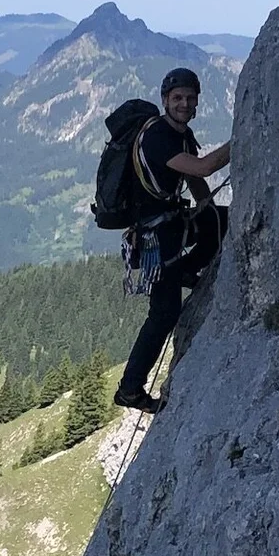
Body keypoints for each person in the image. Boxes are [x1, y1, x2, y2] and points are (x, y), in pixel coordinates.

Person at [113, 66, 232, 414]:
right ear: (165, 100)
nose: (184, 103)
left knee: (220, 222)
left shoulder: (179, 133)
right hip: (155, 240)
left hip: (167, 226)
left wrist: (207, 207)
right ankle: (130, 389)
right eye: (178, 98)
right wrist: (244, 136)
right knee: (164, 314)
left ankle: (185, 270)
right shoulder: (158, 137)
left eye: (189, 98)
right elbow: (203, 167)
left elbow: (194, 178)